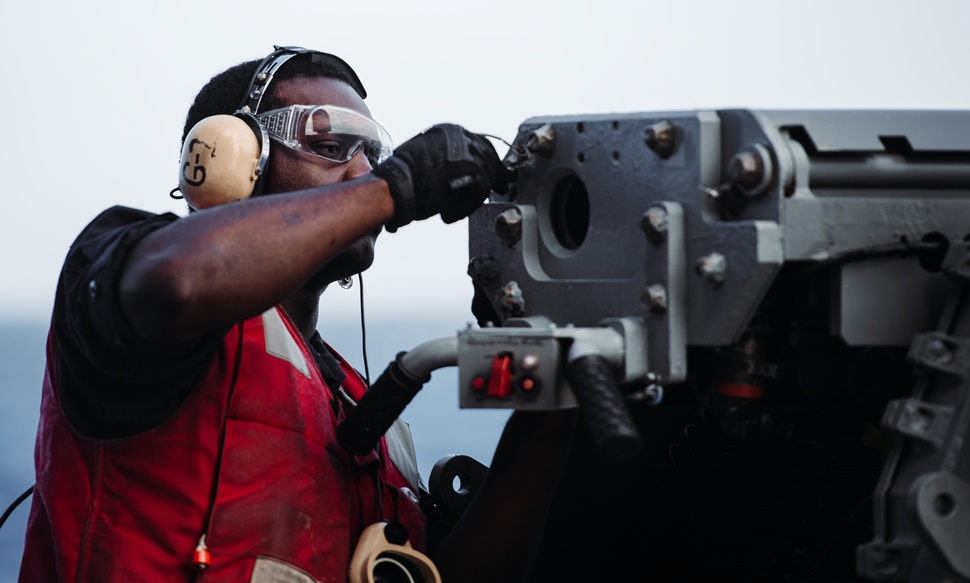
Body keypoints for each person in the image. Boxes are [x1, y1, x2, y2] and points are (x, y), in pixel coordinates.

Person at [19, 46, 576, 582]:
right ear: (235, 163)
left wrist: (552, 399)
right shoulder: (130, 277)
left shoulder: (371, 411)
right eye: (332, 145)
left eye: (374, 158)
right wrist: (394, 188)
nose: (363, 172)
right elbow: (180, 281)